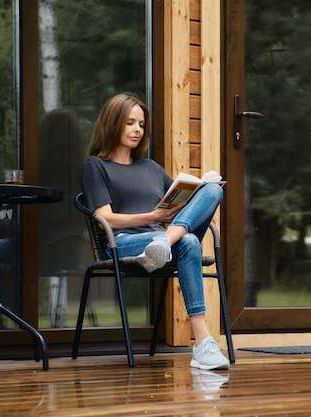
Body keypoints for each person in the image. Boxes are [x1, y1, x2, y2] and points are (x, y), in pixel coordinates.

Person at [80, 92, 229, 370]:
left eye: (141, 124)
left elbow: (187, 199)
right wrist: (153, 217)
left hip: (162, 244)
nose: (138, 129)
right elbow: (105, 218)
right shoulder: (95, 166)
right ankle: (204, 342)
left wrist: (199, 189)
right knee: (189, 244)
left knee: (211, 190)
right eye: (130, 123)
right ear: (112, 124)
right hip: (123, 243)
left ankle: (167, 239)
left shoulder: (151, 167)